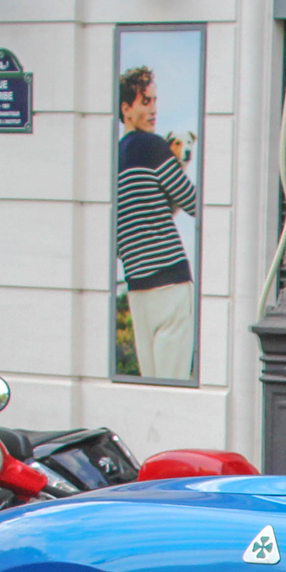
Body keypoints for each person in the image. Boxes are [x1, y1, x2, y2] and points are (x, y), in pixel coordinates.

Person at [115, 65, 197, 379]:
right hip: (169, 281)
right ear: (126, 109)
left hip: (137, 285)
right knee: (172, 383)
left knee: (150, 384)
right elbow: (192, 201)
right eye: (145, 102)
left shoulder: (115, 155)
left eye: (154, 101)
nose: (154, 109)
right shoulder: (151, 146)